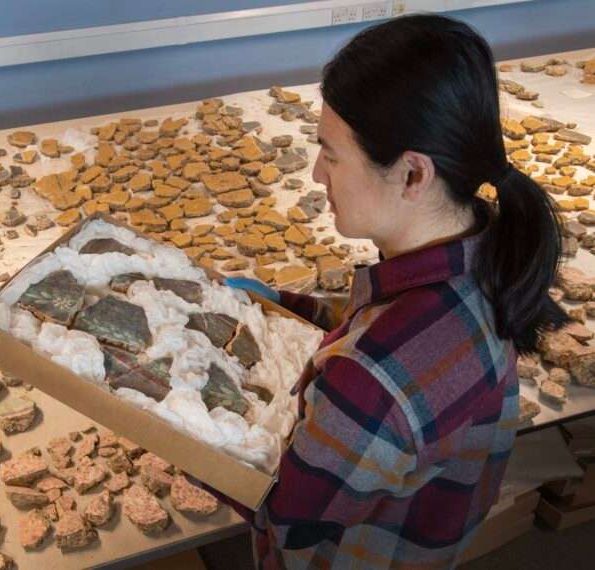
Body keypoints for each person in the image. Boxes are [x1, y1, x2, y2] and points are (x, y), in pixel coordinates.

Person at [222, 13, 569, 570]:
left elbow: (282, 514)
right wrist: (282, 305)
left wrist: (165, 423)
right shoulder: (478, 248)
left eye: (331, 154)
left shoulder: (371, 381)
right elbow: (378, 327)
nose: (316, 174)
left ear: (413, 174)